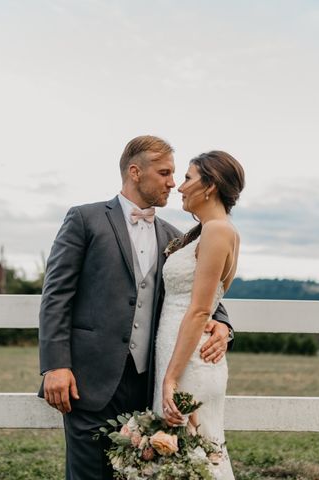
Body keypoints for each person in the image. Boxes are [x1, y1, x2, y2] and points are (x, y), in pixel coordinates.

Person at [38, 136, 233, 480]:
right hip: (88, 379)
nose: (172, 182)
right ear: (134, 172)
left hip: (148, 382)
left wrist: (224, 325)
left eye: (176, 174)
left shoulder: (176, 236)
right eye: (164, 172)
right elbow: (56, 294)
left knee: (139, 474)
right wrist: (55, 365)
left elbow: (201, 293)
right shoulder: (85, 219)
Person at [153, 150, 244, 479]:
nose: (180, 186)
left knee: (196, 454)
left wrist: (171, 377)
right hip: (177, 354)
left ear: (210, 186)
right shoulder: (202, 232)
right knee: (178, 458)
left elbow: (201, 308)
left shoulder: (219, 231)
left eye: (189, 178)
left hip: (189, 362)